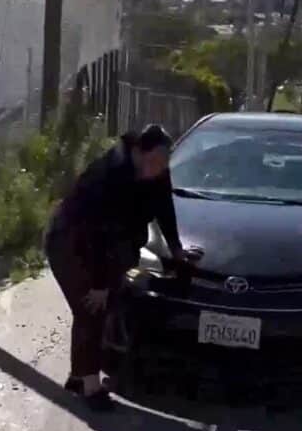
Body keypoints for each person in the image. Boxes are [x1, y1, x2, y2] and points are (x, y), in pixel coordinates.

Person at [43, 124, 195, 411]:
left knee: (99, 306)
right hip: (69, 242)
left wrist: (176, 249)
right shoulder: (108, 176)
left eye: (164, 163)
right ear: (138, 152)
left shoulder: (157, 172)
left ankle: (79, 376)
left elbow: (164, 208)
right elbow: (96, 234)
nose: (158, 169)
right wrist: (100, 282)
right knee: (92, 307)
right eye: (154, 162)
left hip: (108, 248)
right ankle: (91, 388)